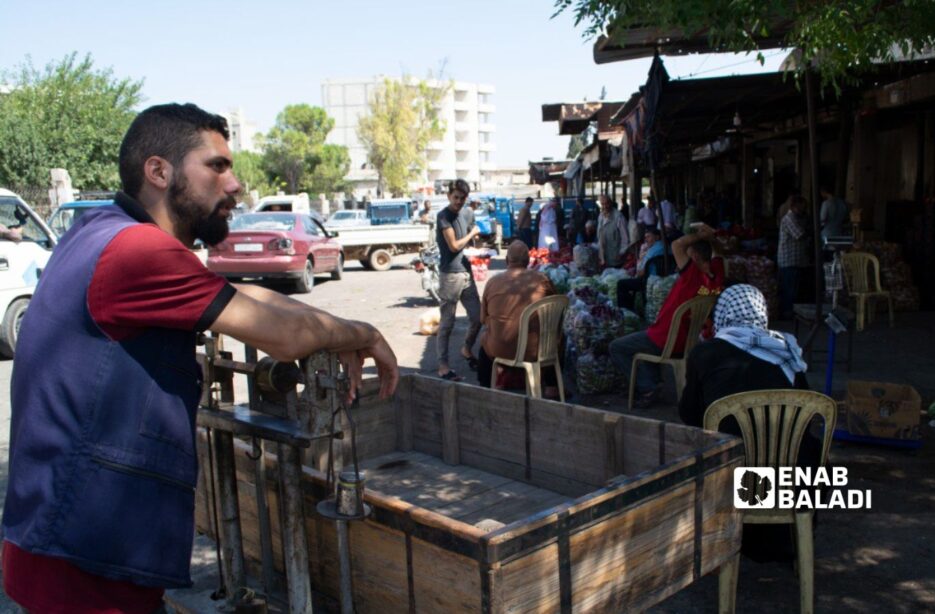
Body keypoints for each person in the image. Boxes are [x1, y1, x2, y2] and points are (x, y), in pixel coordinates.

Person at [0, 103, 399, 613]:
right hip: (84, 551)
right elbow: (284, 334)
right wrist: (361, 330)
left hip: (63, 534)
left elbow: (235, 294)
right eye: (216, 166)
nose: (235, 185)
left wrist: (343, 335)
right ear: (159, 171)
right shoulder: (136, 253)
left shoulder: (102, 228)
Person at [677, 284, 817, 564]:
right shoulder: (785, 351)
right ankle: (788, 541)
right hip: (794, 482)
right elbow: (811, 415)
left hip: (733, 479)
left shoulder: (704, 354)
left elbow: (689, 415)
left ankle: (724, 539)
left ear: (723, 314)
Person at [609, 225, 724, 408]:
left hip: (666, 339)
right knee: (643, 339)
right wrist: (712, 237)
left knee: (617, 347)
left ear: (693, 257)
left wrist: (700, 235)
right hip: (688, 340)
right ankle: (653, 382)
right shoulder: (717, 275)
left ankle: (647, 387)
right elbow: (719, 252)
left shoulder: (692, 275)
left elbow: (677, 244)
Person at [477, 240, 557, 393]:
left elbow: (482, 319)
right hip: (535, 352)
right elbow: (555, 308)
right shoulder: (542, 279)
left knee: (484, 342)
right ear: (528, 261)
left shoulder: (493, 282)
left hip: (499, 351)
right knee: (557, 336)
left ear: (507, 261)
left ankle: (485, 388)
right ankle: (552, 386)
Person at [435, 178, 482, 381]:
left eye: (463, 198)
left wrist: (476, 241)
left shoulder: (466, 213)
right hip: (450, 276)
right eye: (456, 198)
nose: (459, 202)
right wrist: (472, 232)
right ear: (448, 196)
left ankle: (466, 348)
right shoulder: (443, 216)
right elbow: (454, 246)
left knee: (479, 317)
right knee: (447, 323)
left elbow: (471, 238)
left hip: (466, 272)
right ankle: (443, 366)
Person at [615, 227, 667, 311]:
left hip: (649, 281)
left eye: (648, 237)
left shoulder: (652, 251)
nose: (646, 239)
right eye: (645, 237)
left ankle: (626, 311)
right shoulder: (666, 247)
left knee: (621, 284)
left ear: (657, 237)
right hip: (663, 278)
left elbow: (641, 273)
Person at [777, 195, 812, 319]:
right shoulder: (789, 218)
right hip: (789, 260)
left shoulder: (799, 218)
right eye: (801, 207)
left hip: (798, 260)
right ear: (794, 206)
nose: (803, 209)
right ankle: (787, 313)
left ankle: (791, 312)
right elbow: (799, 234)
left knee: (795, 289)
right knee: (789, 289)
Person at [597, 194, 629, 268]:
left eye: (607, 203)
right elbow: (600, 235)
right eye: (602, 204)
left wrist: (621, 252)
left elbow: (625, 238)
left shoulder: (619, 217)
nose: (605, 206)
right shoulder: (601, 216)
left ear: (611, 203)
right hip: (604, 257)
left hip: (616, 257)